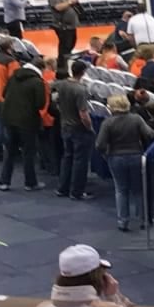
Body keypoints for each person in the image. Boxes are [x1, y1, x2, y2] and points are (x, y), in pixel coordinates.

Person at [95, 93, 154, 231]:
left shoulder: (108, 123)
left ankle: (123, 222)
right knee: (138, 190)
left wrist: (106, 154)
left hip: (115, 158)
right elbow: (150, 134)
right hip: (136, 156)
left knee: (121, 190)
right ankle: (143, 220)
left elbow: (99, 144)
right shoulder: (136, 119)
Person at [0, 59, 46, 191]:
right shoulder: (37, 82)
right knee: (28, 152)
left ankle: (3, 181)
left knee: (9, 151)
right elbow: (40, 104)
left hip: (8, 119)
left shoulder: (13, 77)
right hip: (27, 122)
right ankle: (30, 183)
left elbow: (4, 93)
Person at [53, 58, 95, 201]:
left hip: (65, 126)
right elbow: (83, 113)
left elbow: (56, 100)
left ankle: (62, 188)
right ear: (83, 72)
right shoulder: (80, 90)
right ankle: (77, 192)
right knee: (80, 161)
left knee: (67, 157)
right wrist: (89, 128)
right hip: (78, 129)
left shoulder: (62, 84)